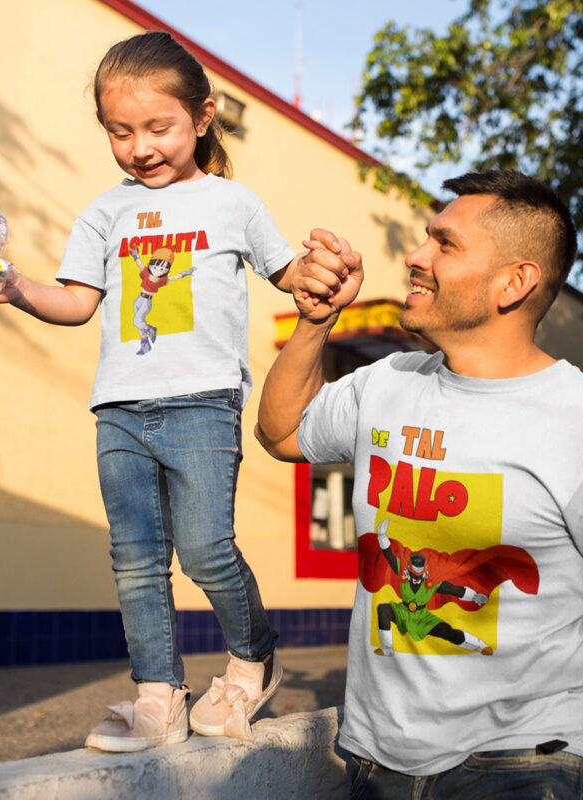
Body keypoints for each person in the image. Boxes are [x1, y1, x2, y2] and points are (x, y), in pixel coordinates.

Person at [0, 30, 333, 752]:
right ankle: (157, 694)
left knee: (206, 550)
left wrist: (321, 270)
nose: (138, 146)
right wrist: (14, 286)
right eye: (119, 131)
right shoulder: (104, 213)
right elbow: (79, 302)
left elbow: (288, 275)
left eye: (157, 127)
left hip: (203, 404)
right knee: (136, 558)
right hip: (119, 410)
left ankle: (253, 655)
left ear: (202, 118)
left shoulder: (234, 204)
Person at [256, 170, 583, 798]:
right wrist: (314, 323)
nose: (415, 256)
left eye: (445, 244)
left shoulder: (570, 418)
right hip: (378, 762)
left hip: (524, 764)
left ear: (515, 282)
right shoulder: (390, 382)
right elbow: (281, 434)